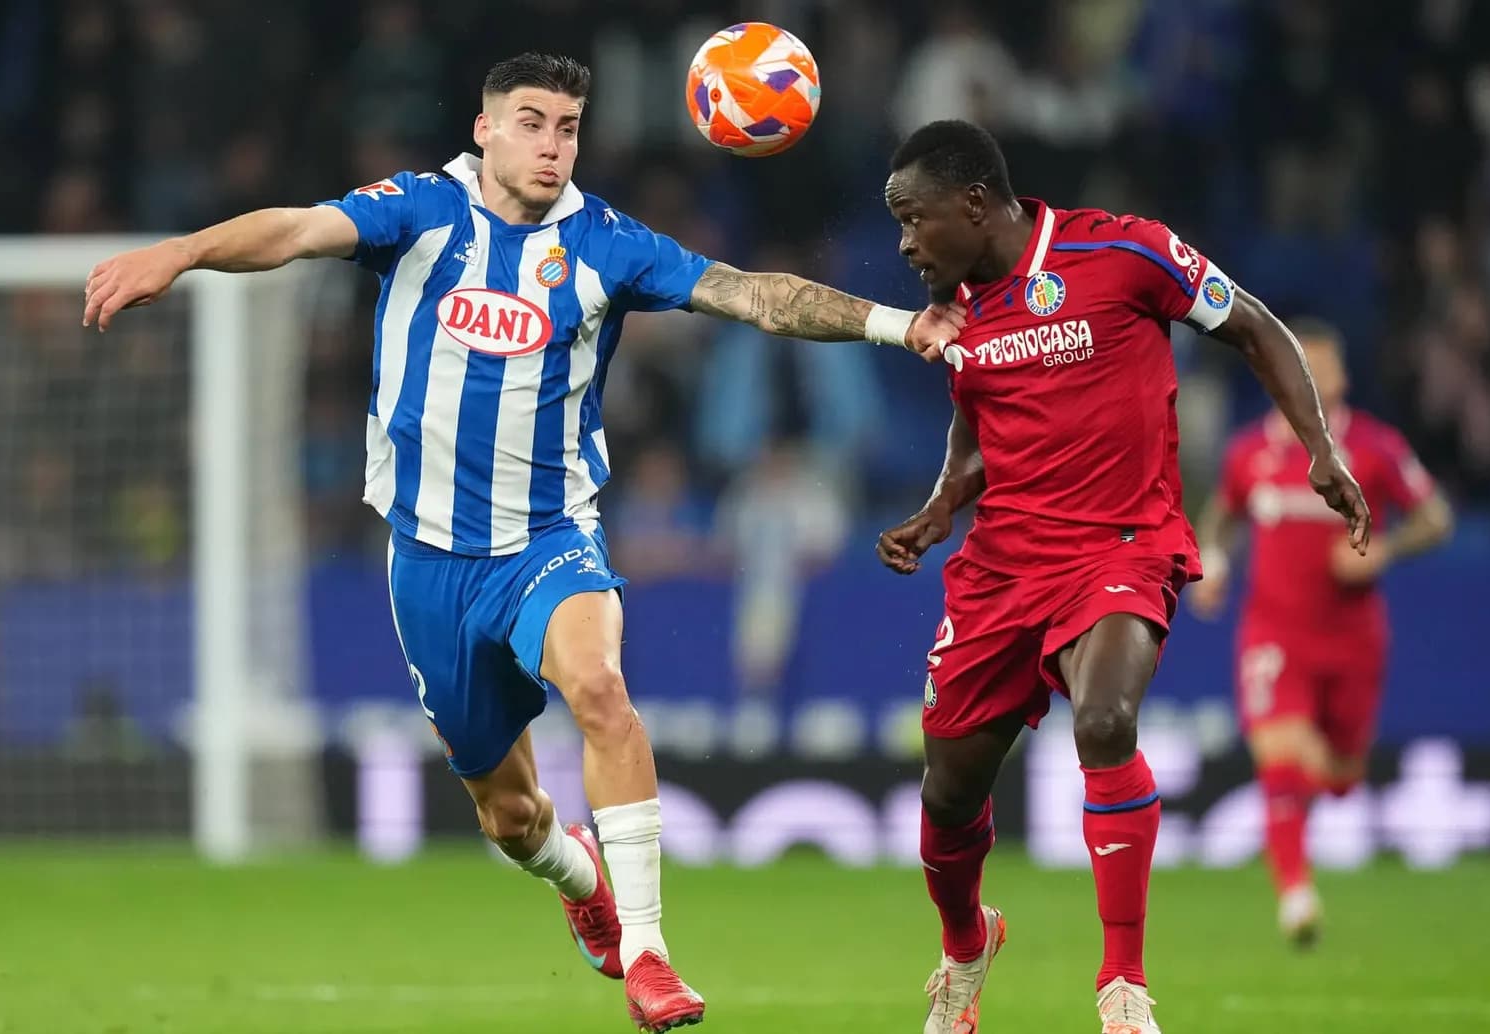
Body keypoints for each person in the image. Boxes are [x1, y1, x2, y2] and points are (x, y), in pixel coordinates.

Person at [82, 52, 961, 1033]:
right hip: (427, 559)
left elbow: (751, 293)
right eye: (532, 122)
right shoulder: (417, 211)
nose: (552, 144)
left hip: (550, 536)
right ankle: (577, 877)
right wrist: (180, 252)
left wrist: (896, 322)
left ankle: (648, 951)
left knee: (598, 687)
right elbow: (293, 229)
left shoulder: (606, 244)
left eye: (568, 127)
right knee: (511, 818)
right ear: (484, 127)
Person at [873, 120, 1369, 1034]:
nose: (903, 243)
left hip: (1121, 545)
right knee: (947, 798)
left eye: (913, 219)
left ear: (974, 202)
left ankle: (1123, 987)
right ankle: (966, 941)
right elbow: (983, 421)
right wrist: (942, 507)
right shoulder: (959, 317)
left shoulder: (1124, 251)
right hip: (999, 571)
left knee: (1104, 721)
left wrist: (1318, 449)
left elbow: (1256, 328)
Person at [1190, 319, 1453, 947]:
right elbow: (1223, 516)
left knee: (1337, 774)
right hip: (1274, 634)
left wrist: (1382, 550)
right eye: (1301, 364)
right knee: (1281, 754)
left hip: (1353, 639)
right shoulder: (1251, 452)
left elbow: (1436, 518)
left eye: (1324, 367)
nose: (1313, 376)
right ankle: (1296, 894)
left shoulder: (1374, 448)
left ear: (1343, 377)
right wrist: (1215, 564)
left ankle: (1325, 786)